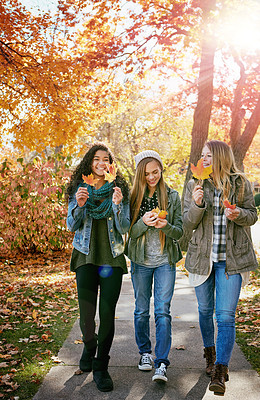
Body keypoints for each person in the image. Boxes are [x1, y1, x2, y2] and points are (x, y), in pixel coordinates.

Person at [182, 140, 258, 396]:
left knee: (225, 316)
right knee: (205, 311)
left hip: (231, 259)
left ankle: (220, 370)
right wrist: (197, 204)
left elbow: (252, 214)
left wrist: (239, 214)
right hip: (203, 259)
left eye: (208, 155)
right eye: (202, 155)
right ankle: (210, 354)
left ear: (221, 157)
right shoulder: (195, 184)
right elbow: (187, 224)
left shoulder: (240, 183)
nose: (204, 159)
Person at [66, 142, 130, 392]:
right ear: (89, 164)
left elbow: (124, 228)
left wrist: (116, 204)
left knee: (106, 314)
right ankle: (89, 348)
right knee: (86, 316)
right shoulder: (79, 189)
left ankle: (101, 365)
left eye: (106, 159)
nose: (101, 163)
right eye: (96, 159)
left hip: (111, 258)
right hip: (85, 257)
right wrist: (80, 206)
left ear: (111, 164)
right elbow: (72, 225)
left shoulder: (119, 189)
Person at [126, 150, 183, 383]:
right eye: (147, 174)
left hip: (164, 262)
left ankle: (161, 362)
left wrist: (165, 226)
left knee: (163, 312)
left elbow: (179, 232)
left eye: (155, 172)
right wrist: (142, 222)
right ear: (141, 174)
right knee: (141, 310)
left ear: (161, 170)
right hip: (140, 262)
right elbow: (128, 233)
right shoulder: (134, 198)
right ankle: (145, 354)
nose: (152, 177)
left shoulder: (172, 196)